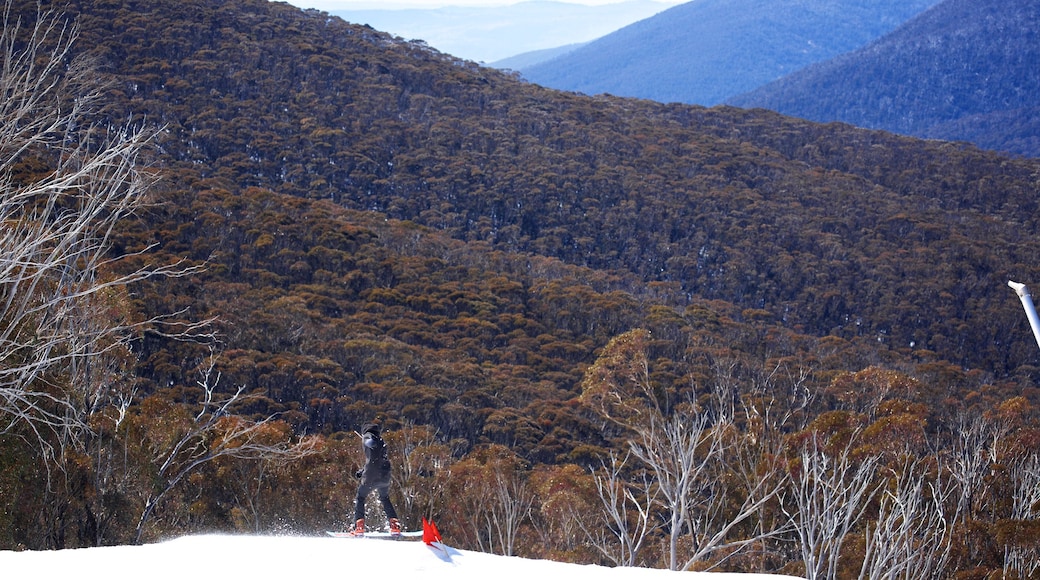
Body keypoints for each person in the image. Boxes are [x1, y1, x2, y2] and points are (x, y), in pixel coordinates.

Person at [351, 422, 400, 536]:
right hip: (385, 476)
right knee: (384, 498)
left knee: (361, 497)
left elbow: (370, 443)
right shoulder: (382, 441)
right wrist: (362, 471)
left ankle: (359, 526)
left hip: (371, 477)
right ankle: (394, 525)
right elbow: (377, 459)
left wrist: (367, 440)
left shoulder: (368, 436)